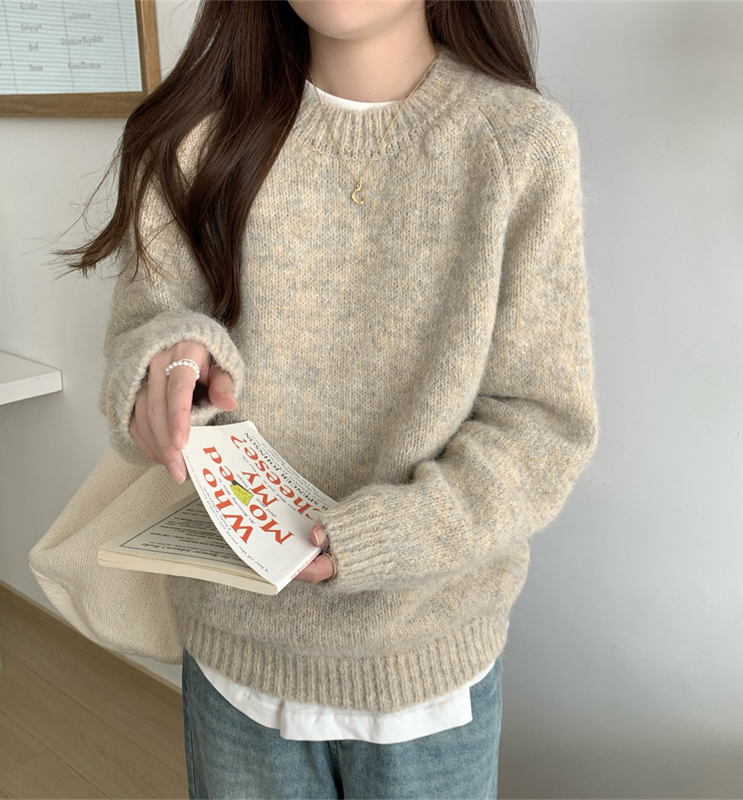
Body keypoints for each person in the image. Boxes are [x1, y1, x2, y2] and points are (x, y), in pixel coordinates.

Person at [69, 1, 598, 797]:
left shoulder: (520, 143)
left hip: (428, 675)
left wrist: (381, 538)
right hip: (235, 665)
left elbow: (543, 426)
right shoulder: (192, 138)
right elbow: (143, 337)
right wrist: (166, 365)